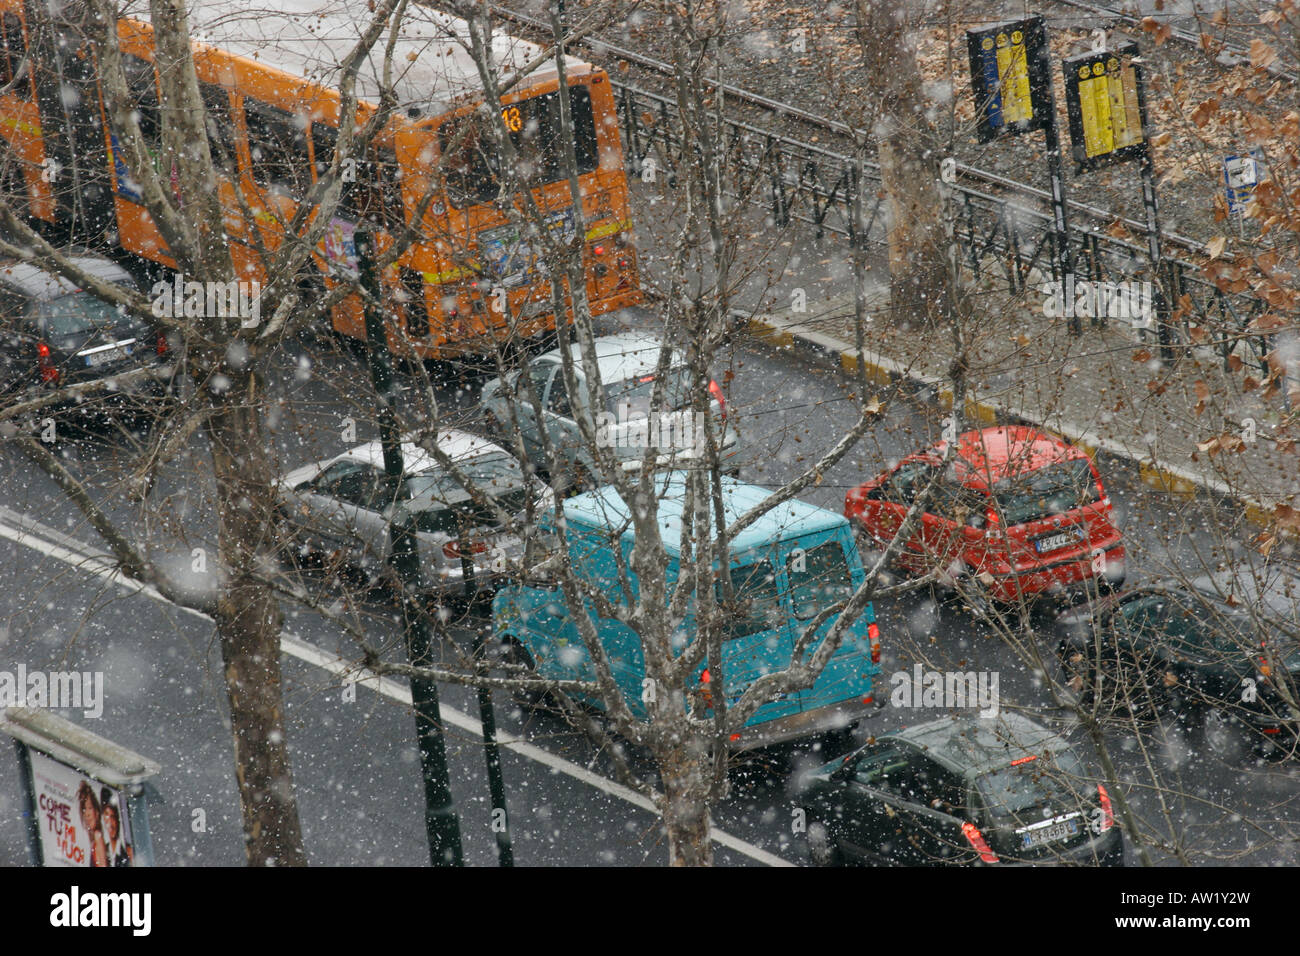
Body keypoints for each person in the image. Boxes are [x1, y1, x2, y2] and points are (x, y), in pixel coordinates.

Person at [76, 781, 108, 868]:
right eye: (84, 809)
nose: (87, 814)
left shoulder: (98, 836)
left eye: (90, 808)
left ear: (96, 812)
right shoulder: (94, 838)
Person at [100, 787, 133, 867]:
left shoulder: (128, 852)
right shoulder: (101, 851)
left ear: (118, 819)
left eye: (113, 816)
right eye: (107, 815)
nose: (110, 823)